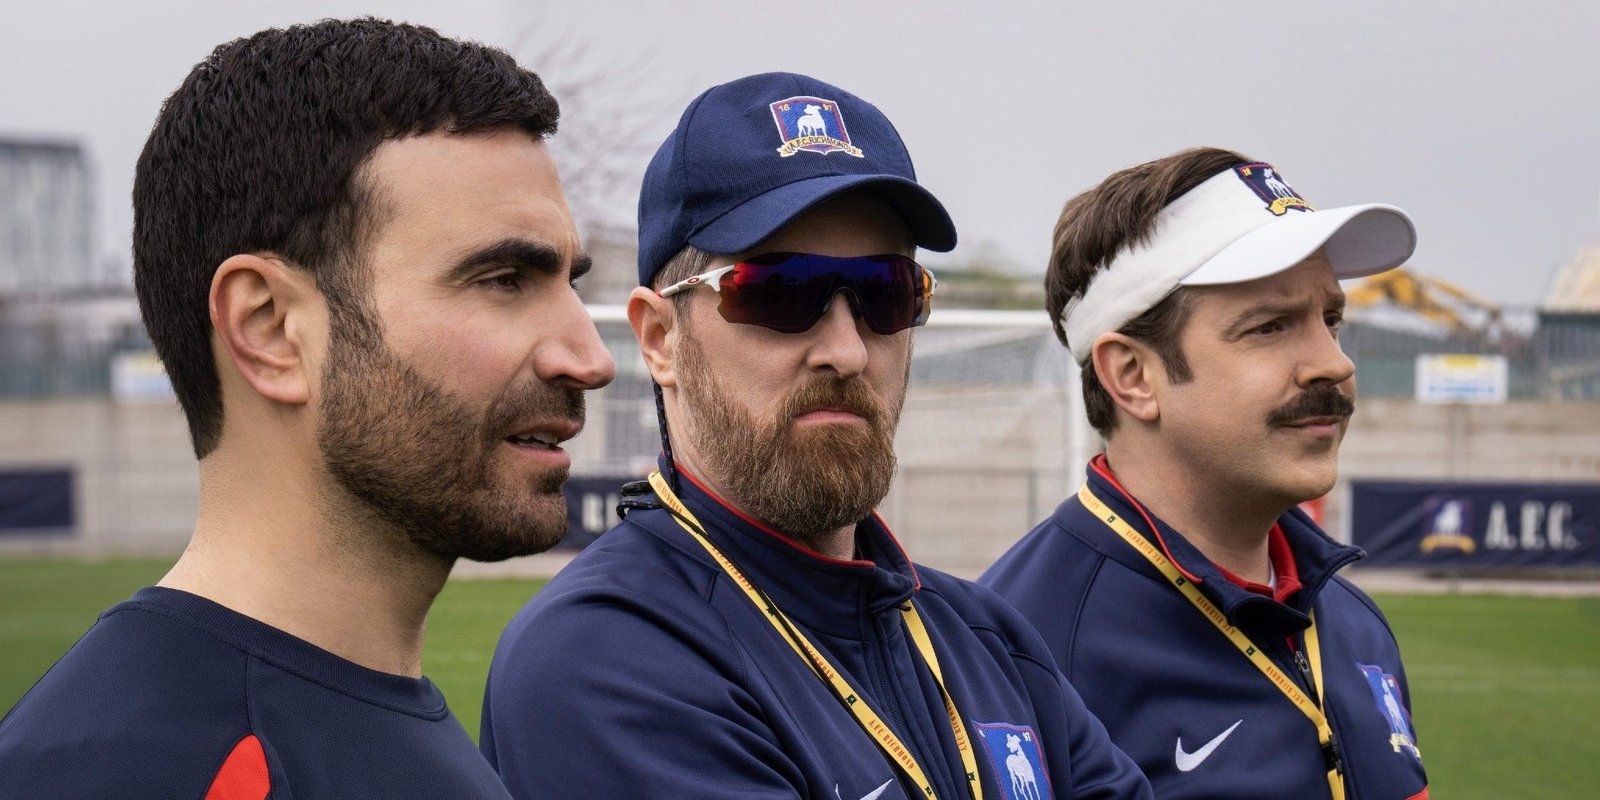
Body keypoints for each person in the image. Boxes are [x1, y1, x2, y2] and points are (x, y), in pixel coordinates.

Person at [480, 72, 1152, 800]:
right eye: (781, 291)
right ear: (660, 338)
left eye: (885, 293)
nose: (848, 349)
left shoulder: (989, 640)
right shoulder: (604, 659)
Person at [0, 18, 613, 799]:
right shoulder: (145, 771)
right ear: (270, 328)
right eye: (503, 280)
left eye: (569, 281)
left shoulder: (386, 722)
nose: (587, 358)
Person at [980, 148, 1430, 799]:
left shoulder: (1354, 622)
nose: (1333, 363)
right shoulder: (1016, 655)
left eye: (1330, 320)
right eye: (1270, 326)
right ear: (1133, 376)